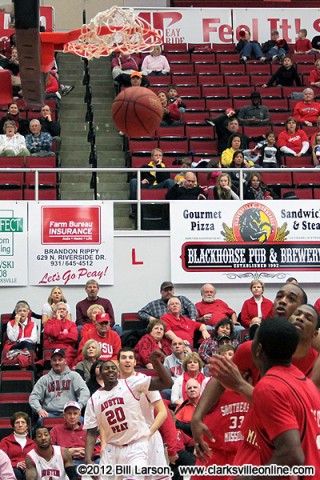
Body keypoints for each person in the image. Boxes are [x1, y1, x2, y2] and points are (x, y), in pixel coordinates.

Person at [233, 318, 320, 477]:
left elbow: (292, 455)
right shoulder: (306, 384)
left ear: (258, 349)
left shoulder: (269, 387)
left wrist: (249, 477)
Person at [83, 351, 173, 478]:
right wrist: (88, 460)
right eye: (106, 368)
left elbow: (167, 383)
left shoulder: (131, 383)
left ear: (117, 370)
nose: (110, 371)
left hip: (136, 444)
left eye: (113, 368)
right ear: (100, 374)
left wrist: (156, 362)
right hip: (112, 448)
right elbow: (91, 432)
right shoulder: (94, 399)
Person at [118, 348, 171, 480]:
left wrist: (148, 433)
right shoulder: (113, 385)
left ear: (135, 362)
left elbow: (163, 412)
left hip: (148, 437)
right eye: (124, 357)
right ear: (118, 362)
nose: (127, 360)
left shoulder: (144, 380)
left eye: (130, 358)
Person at [29, 348, 90, 419]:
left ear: (65, 361)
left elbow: (85, 392)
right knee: (41, 420)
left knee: (82, 420)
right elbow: (33, 397)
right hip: (50, 414)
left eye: (60, 360)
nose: (57, 362)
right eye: (54, 360)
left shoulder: (74, 376)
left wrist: (79, 406)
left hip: (70, 413)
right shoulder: (44, 379)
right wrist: (39, 410)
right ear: (51, 362)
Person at [50, 401, 98, 467]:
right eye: (69, 414)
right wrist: (67, 452)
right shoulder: (56, 430)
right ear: (64, 415)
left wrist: (87, 453)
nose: (72, 417)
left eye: (75, 413)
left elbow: (96, 449)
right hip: (64, 463)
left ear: (79, 415)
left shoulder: (87, 431)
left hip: (85, 462)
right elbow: (50, 449)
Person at [0, 412, 34, 480]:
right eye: (17, 422)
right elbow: (1, 460)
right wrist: (16, 464)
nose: (20, 425)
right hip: (11, 468)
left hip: (28, 468)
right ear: (13, 426)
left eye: (23, 422)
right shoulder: (5, 441)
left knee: (30, 474)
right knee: (16, 473)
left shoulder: (33, 443)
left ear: (27, 426)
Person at [43, 302, 78, 367]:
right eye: (59, 309)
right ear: (55, 312)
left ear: (67, 312)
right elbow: (54, 333)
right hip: (51, 349)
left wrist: (56, 338)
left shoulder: (71, 324)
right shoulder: (49, 323)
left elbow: (74, 337)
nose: (62, 310)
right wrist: (58, 320)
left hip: (67, 350)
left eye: (64, 309)